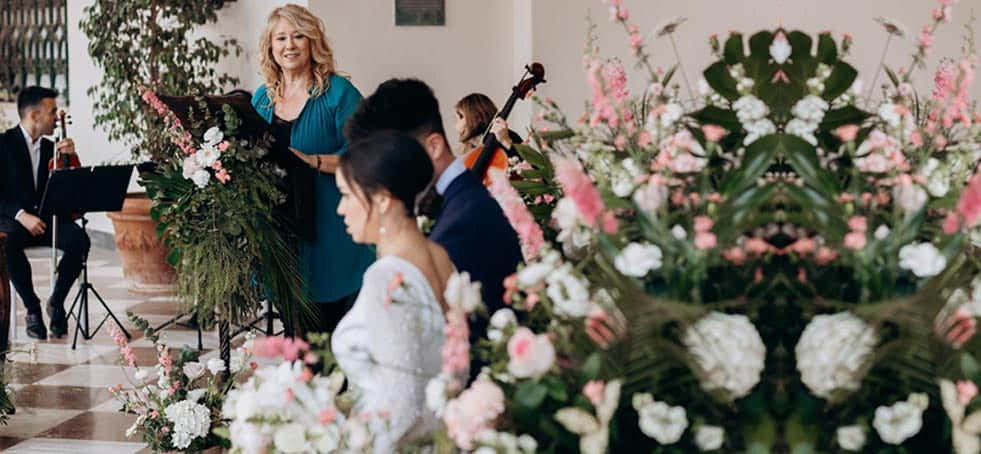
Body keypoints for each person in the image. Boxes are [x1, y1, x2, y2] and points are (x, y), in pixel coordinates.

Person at [345, 78, 523, 340]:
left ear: (434, 146)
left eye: (390, 159)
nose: (384, 175)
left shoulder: (462, 222)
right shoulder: (452, 200)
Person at [251, 4, 373, 333]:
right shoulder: (261, 99)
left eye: (298, 36)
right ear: (270, 47)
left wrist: (314, 161)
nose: (289, 45)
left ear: (312, 43)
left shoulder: (339, 93)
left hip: (330, 229)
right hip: (280, 229)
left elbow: (367, 155)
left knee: (326, 332)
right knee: (294, 333)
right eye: (281, 38)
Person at [331, 131, 453, 452]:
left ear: (382, 200)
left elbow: (402, 401)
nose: (340, 209)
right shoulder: (441, 257)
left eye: (345, 195)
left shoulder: (387, 278)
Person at [0, 87, 89, 339]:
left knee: (80, 240)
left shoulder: (53, 149)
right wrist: (20, 215)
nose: (56, 116)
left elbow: (72, 193)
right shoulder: (3, 144)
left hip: (48, 220)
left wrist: (71, 159)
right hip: (16, 222)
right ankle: (32, 309)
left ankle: (56, 302)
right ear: (34, 116)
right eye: (51, 112)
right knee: (8, 247)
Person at [453, 92, 523, 156]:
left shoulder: (509, 136)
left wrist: (506, 141)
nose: (455, 125)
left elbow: (528, 166)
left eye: (460, 117)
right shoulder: (466, 149)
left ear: (477, 117)